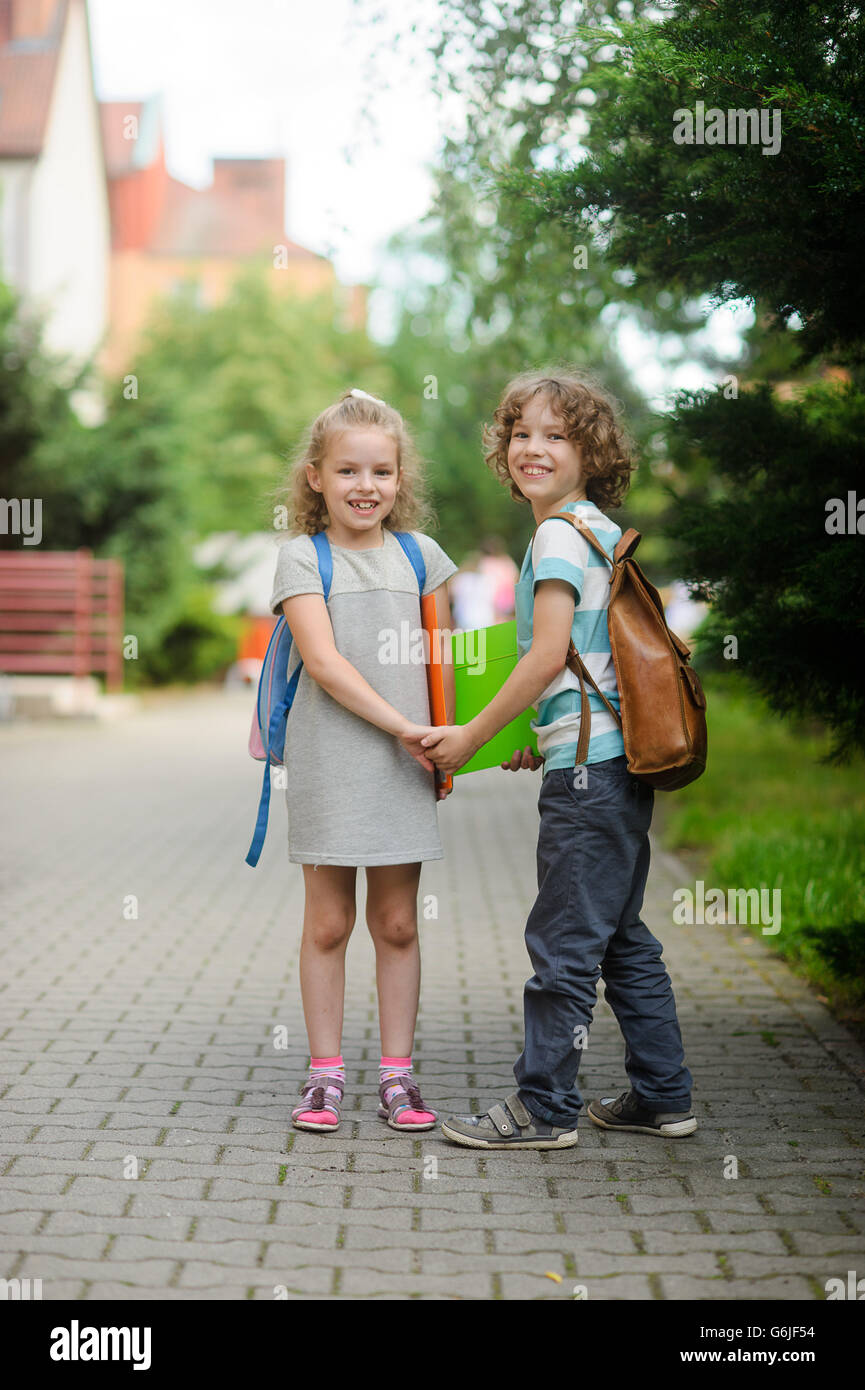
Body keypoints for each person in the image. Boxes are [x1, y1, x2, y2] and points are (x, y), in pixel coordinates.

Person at [419, 369, 695, 1149]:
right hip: (610, 767)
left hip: (588, 778)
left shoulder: (553, 535)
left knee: (564, 947)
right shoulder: (598, 530)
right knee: (619, 938)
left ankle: (541, 1109)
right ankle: (662, 1096)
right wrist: (535, 739)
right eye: (521, 433)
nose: (532, 448)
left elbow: (545, 658)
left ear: (591, 452)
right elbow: (587, 664)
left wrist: (470, 736)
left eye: (556, 435)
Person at [269, 388, 457, 1134]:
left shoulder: (423, 557)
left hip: (405, 766)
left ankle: (397, 1077)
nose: (365, 487)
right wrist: (405, 727)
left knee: (398, 923)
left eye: (381, 472)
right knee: (327, 923)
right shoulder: (300, 557)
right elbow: (323, 662)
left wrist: (473, 740)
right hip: (330, 763)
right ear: (315, 476)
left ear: (400, 477)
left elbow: (451, 663)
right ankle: (323, 1077)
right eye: (348, 471)